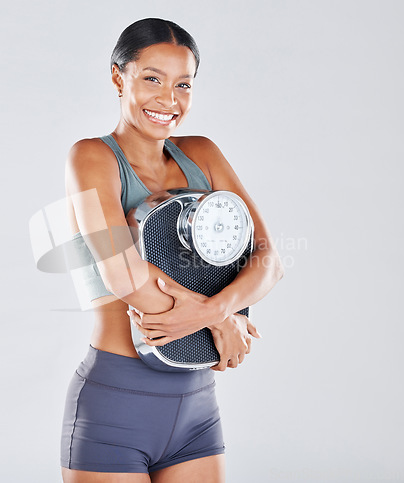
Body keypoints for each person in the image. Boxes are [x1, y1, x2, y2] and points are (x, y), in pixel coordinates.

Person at [61, 17, 284, 483]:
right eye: (152, 79)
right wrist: (224, 319)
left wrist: (219, 308)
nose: (169, 99)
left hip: (198, 408)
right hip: (115, 404)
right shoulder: (91, 158)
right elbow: (123, 276)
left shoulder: (202, 153)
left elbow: (269, 260)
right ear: (118, 76)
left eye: (183, 84)